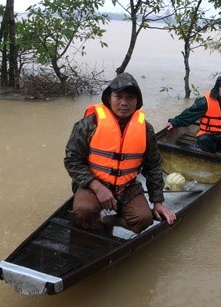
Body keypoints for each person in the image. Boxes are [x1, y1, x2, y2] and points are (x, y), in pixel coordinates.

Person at [64, 73, 176, 234]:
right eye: (118, 96)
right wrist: (97, 187)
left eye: (130, 98)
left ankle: (111, 220)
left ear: (137, 102)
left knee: (144, 219)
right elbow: (72, 160)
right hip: (93, 184)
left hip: (127, 186)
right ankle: (98, 229)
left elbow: (154, 166)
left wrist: (157, 201)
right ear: (109, 98)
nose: (124, 102)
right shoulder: (88, 124)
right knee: (83, 211)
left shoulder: (145, 129)